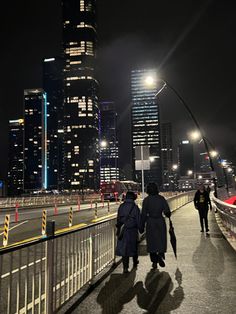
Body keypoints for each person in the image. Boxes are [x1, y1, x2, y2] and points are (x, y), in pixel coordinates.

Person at [140, 182, 171, 270]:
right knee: (161, 240)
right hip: (160, 221)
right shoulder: (161, 199)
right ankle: (160, 255)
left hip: (150, 222)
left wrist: (141, 225)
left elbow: (143, 214)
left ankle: (154, 261)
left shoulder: (146, 200)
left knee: (151, 241)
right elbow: (167, 211)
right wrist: (167, 214)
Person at [116, 191, 141, 273]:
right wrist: (141, 228)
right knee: (134, 246)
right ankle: (135, 262)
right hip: (132, 230)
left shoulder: (121, 206)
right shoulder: (135, 207)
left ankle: (125, 267)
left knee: (124, 249)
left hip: (123, 230)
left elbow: (118, 218)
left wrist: (119, 227)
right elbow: (138, 219)